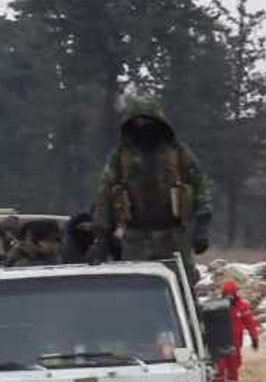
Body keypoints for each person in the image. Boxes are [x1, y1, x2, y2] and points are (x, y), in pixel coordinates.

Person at [91, 96, 213, 286]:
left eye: (148, 121)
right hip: (136, 236)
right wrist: (102, 237)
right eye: (138, 121)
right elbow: (105, 193)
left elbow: (200, 185)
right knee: (135, 289)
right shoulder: (121, 156)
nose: (143, 126)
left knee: (182, 289)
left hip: (173, 235)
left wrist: (202, 225)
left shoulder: (178, 152)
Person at [214, 281, 261, 382]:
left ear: (235, 294)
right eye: (226, 294)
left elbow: (250, 323)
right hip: (220, 343)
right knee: (220, 370)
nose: (229, 297)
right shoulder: (217, 306)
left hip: (235, 345)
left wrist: (254, 338)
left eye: (231, 294)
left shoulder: (242, 307)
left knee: (233, 371)